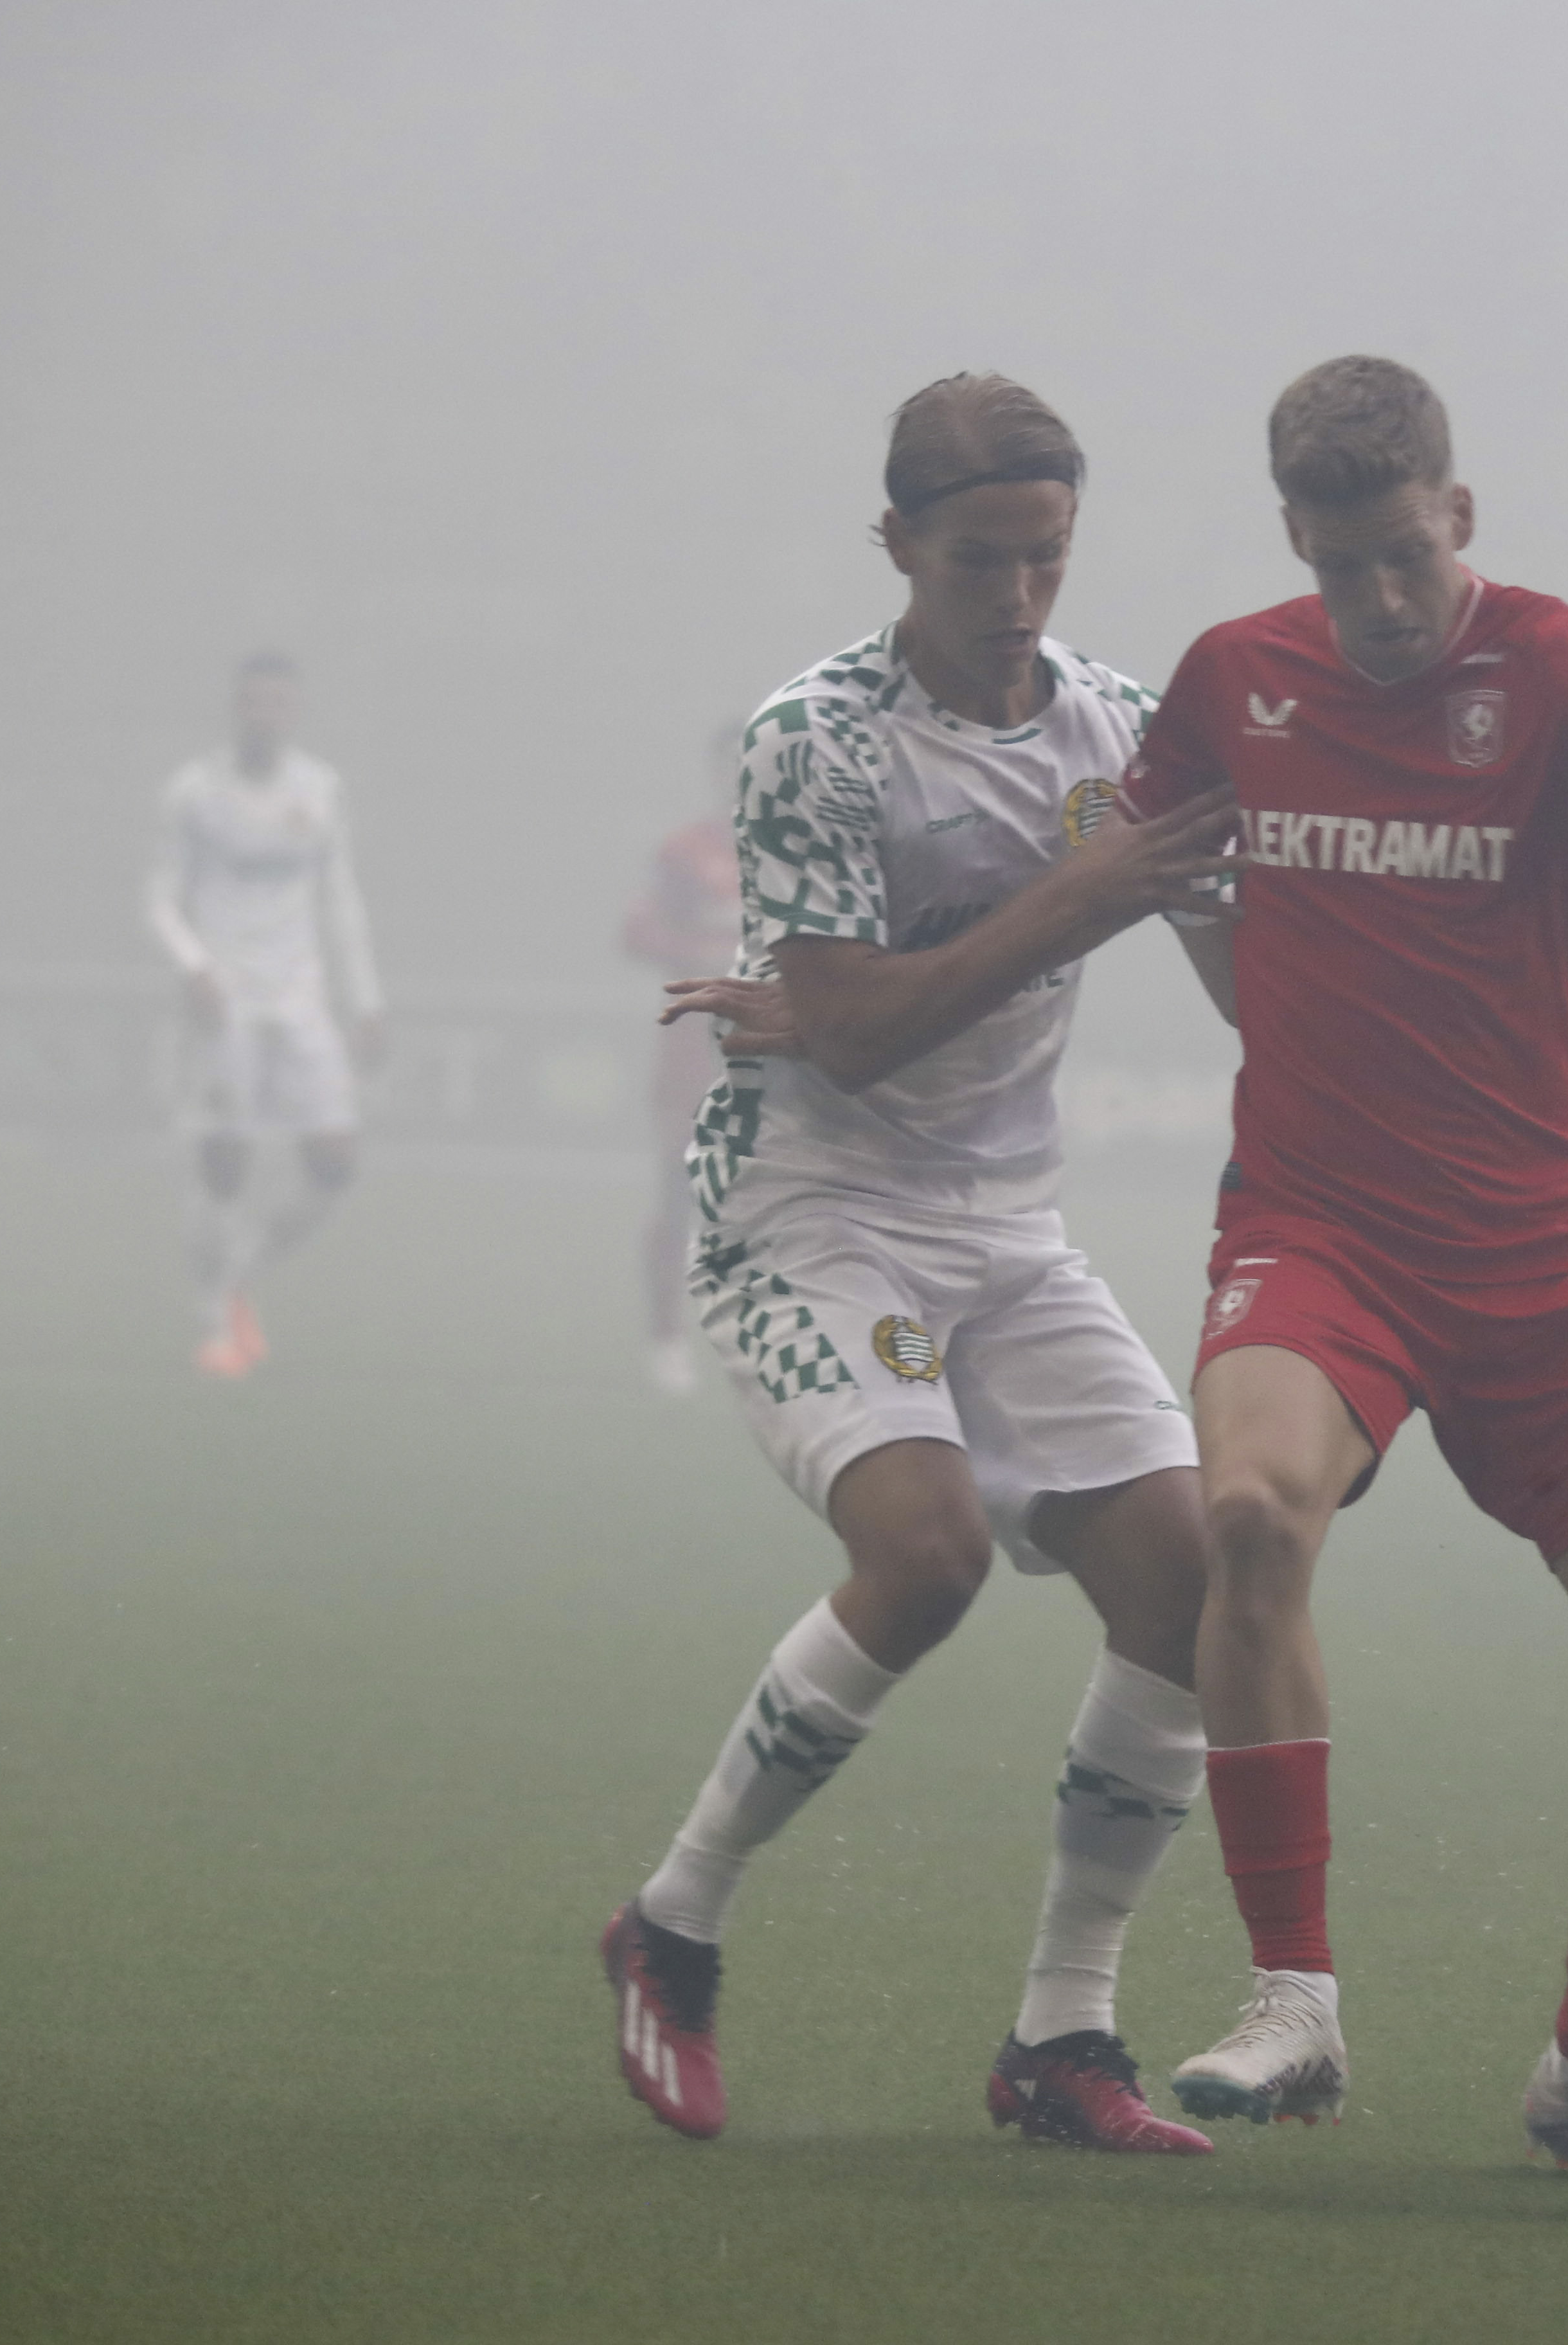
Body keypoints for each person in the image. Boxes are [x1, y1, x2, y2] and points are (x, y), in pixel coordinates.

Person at [1115, 357, 1568, 2162]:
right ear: (1296, 548)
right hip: (1319, 1222)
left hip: (1548, 1238)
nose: (1383, 602)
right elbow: (1130, 836)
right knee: (1246, 1513)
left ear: (1458, 520)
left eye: (1409, 557)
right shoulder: (1233, 677)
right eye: (1346, 568)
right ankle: (1293, 2006)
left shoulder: (1563, 666)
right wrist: (1191, 940)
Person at [598, 374, 1243, 2155]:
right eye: (980, 559)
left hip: (1006, 1233)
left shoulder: (1117, 723)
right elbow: (856, 1040)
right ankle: (672, 1924)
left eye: (1047, 555)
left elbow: (1239, 966)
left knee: (1191, 1594)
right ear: (898, 546)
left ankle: (1062, 2037)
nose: (1020, 594)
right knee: (929, 1552)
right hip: (809, 1215)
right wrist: (1083, 893)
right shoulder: (820, 732)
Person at [145, 652, 382, 1378]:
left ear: (294, 711)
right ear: (236, 708)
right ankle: (215, 1316)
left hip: (300, 996)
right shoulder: (195, 791)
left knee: (335, 1162)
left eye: (277, 703)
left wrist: (366, 1000)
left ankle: (236, 1269)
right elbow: (158, 896)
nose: (264, 715)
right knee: (226, 1159)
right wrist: (194, 967)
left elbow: (339, 896)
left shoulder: (319, 788)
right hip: (227, 1000)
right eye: (253, 702)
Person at [620, 741, 748, 1394]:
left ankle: (759, 1339)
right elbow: (637, 932)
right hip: (695, 1045)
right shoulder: (684, 852)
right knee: (679, 1190)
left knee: (773, 1198)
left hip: (776, 1050)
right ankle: (667, 1339)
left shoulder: (802, 852)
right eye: (730, 764)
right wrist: (704, 953)